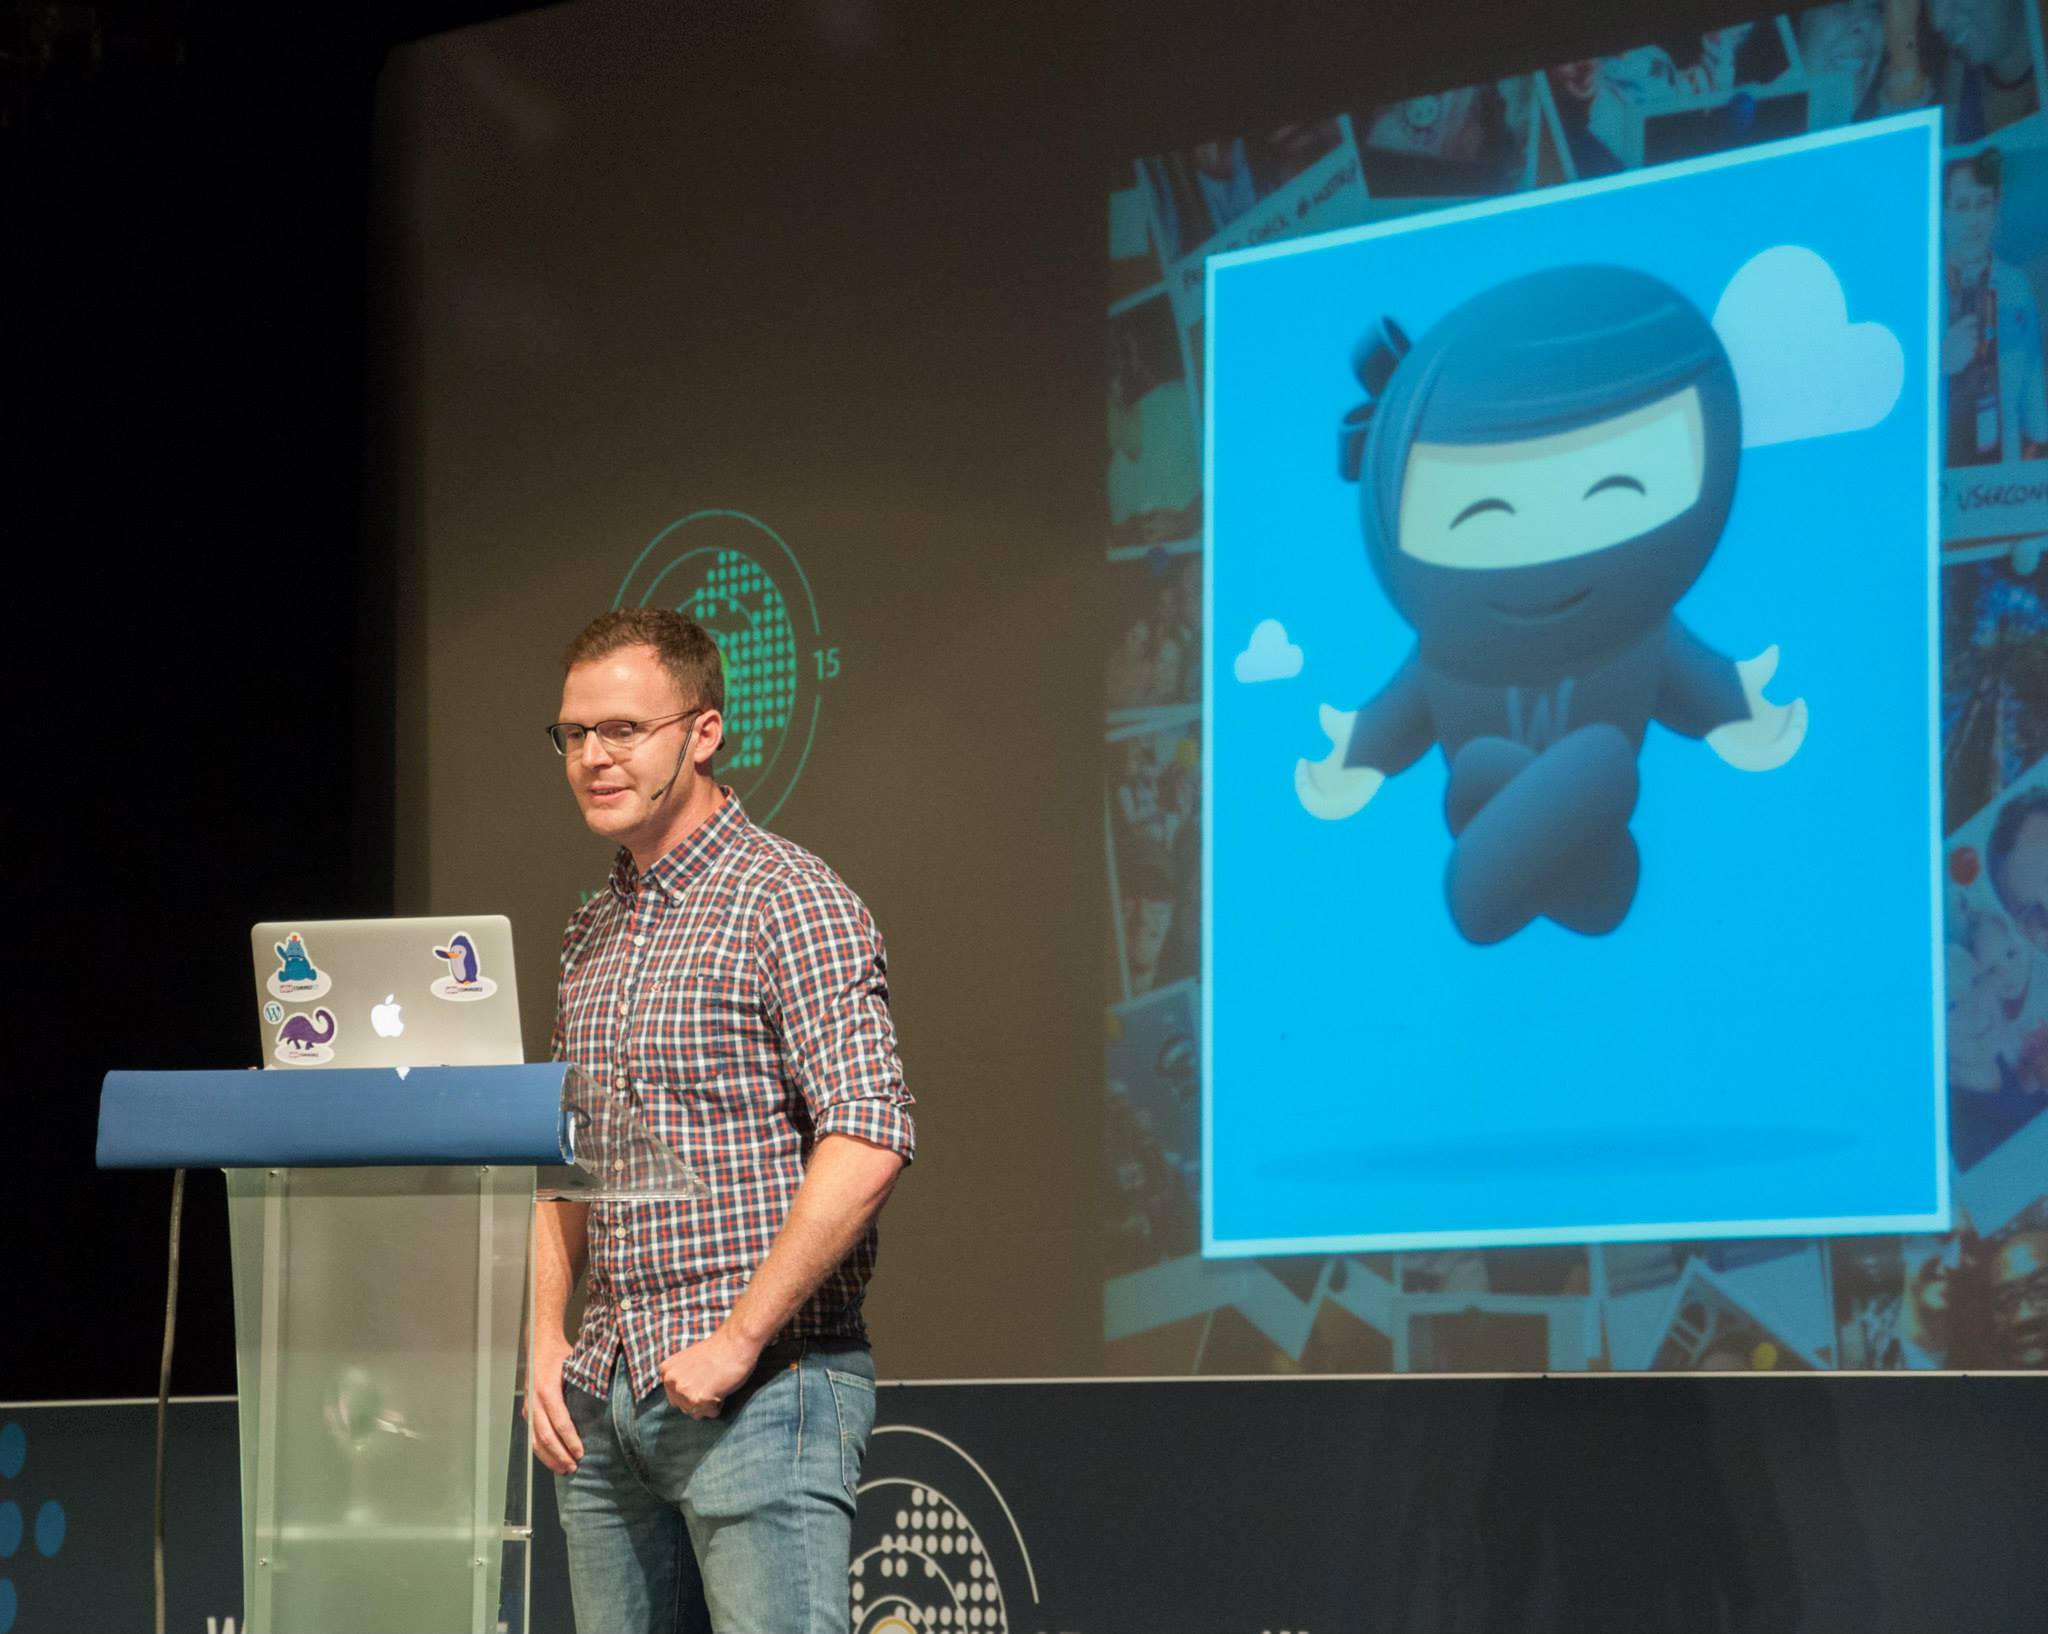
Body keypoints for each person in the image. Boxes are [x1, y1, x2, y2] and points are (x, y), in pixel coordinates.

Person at [529, 607, 916, 1634]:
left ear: (702, 732)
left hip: (761, 1389)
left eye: (624, 729)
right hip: (606, 1395)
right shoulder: (589, 931)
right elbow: (570, 1156)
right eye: (574, 733)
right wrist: (542, 1339)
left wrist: (739, 1338)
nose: (593, 757)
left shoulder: (789, 898)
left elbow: (869, 1134)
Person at [1941, 149, 2048, 468]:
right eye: (1962, 206)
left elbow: (2034, 405)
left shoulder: (2015, 286)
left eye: (1983, 203)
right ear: (1944, 215)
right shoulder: (1919, 291)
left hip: (2001, 482)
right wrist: (1938, 365)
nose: (1974, 221)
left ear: (1996, 209)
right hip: (1940, 483)